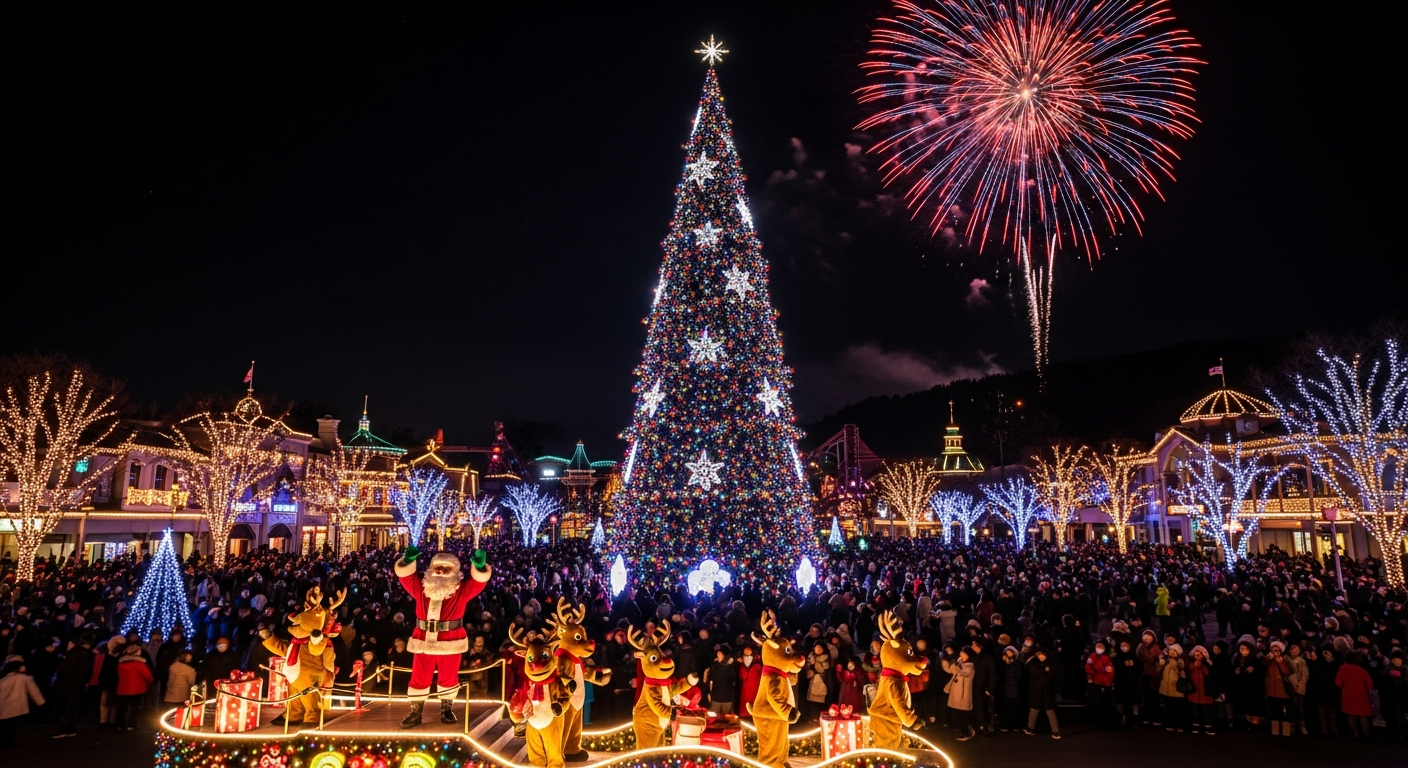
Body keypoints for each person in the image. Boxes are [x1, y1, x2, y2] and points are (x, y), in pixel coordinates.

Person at [394, 545, 492, 727]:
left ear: (455, 572)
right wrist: (407, 562)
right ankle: (415, 712)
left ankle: (446, 710)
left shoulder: (460, 591)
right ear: (431, 569)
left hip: (450, 641)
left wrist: (479, 568)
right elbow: (406, 578)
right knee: (419, 676)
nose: (441, 571)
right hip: (423, 639)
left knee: (449, 676)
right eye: (438, 568)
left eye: (446, 568)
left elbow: (477, 584)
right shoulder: (422, 589)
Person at [0, 656, 45, 749]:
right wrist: (41, 703)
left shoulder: (3, 681)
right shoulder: (26, 678)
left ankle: (4, 742)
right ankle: (8, 742)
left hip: (4, 707)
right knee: (11, 726)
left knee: (5, 726)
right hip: (17, 706)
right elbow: (35, 692)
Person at [51, 636, 91, 739]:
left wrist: (59, 676)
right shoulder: (82, 654)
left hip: (67, 684)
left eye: (71, 643)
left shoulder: (74, 655)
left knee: (66, 707)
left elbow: (66, 670)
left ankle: (66, 728)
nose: (69, 646)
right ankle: (70, 728)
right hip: (74, 685)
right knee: (70, 706)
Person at [1334, 652, 1374, 738]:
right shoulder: (1361, 670)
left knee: (1351, 715)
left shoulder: (1342, 669)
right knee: (1363, 715)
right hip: (1362, 696)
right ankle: (1366, 733)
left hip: (1348, 695)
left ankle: (1355, 732)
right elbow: (1370, 684)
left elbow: (1338, 683)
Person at [115, 643, 154, 731]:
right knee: (134, 708)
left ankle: (120, 725)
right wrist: (150, 682)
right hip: (137, 689)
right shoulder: (140, 664)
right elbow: (148, 676)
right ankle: (131, 725)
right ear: (136, 652)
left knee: (122, 708)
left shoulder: (121, 664)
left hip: (122, 689)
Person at [1024, 647, 1061, 739]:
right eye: (1039, 655)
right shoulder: (1033, 664)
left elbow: (1054, 678)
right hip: (1036, 691)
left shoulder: (1051, 665)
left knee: (1050, 710)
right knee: (1034, 709)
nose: (1041, 657)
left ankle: (1055, 731)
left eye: (1043, 655)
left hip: (1047, 691)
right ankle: (1030, 728)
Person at [943, 647, 975, 741]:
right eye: (961, 654)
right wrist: (947, 662)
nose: (962, 656)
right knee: (957, 713)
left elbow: (963, 673)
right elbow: (950, 670)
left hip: (963, 694)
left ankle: (966, 732)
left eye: (964, 654)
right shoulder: (960, 664)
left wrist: (958, 665)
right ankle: (964, 730)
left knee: (962, 715)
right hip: (956, 693)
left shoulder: (970, 667)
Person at [1264, 641, 1293, 737]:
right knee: (1273, 710)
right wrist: (1268, 659)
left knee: (1284, 711)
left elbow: (1287, 672)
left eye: (1277, 650)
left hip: (1282, 690)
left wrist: (1281, 663)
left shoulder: (1285, 659)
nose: (1275, 652)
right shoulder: (1267, 659)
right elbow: (1262, 668)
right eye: (1273, 650)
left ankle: (1286, 731)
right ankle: (1275, 730)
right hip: (1270, 690)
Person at [1185, 646, 1216, 735]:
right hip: (1194, 691)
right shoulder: (1189, 663)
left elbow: (1209, 674)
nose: (1198, 654)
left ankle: (1208, 727)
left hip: (1205, 691)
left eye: (1201, 652)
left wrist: (1203, 664)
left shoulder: (1207, 664)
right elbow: (1188, 672)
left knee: (1206, 711)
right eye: (1196, 652)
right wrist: (1195, 665)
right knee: (1195, 711)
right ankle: (1195, 726)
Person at [1084, 640, 1115, 729]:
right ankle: (1095, 722)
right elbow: (1088, 668)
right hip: (1095, 683)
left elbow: (1110, 670)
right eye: (1098, 647)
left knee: (1105, 702)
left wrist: (1105, 676)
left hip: (1104, 683)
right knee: (1095, 702)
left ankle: (1105, 722)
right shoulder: (1092, 657)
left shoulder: (1106, 658)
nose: (1099, 649)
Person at [704, 645, 737, 714]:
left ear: (725, 655)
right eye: (718, 654)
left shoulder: (730, 667)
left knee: (723, 717)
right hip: (719, 697)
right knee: (715, 717)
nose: (719, 656)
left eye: (721, 654)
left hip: (724, 698)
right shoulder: (715, 665)